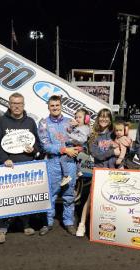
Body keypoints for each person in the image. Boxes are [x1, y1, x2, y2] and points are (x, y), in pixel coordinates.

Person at [0, 92, 41, 244]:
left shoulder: (30, 122)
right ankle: (1, 229)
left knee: (24, 198)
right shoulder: (1, 122)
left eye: (20, 103)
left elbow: (37, 144)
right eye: (14, 103)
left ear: (24, 105)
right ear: (9, 104)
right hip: (7, 167)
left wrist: (33, 150)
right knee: (6, 199)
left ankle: (25, 224)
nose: (17, 106)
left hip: (25, 166)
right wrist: (4, 159)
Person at [37, 95, 82, 236]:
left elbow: (81, 140)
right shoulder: (43, 123)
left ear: (61, 106)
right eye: (52, 106)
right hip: (53, 162)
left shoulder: (70, 122)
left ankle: (68, 222)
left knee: (69, 194)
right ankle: (48, 223)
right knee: (51, 194)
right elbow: (45, 146)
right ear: (48, 107)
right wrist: (63, 149)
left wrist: (79, 148)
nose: (55, 108)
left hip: (69, 162)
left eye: (57, 105)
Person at [76, 108, 121, 237]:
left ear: (110, 119)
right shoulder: (93, 135)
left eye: (107, 117)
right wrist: (112, 152)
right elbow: (97, 155)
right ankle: (82, 224)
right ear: (98, 118)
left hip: (113, 172)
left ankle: (110, 228)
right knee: (90, 199)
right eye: (101, 116)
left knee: (113, 201)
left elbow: (124, 146)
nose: (104, 119)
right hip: (99, 172)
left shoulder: (114, 133)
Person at [60, 108, 91, 186]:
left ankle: (66, 176)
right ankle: (78, 171)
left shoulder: (85, 128)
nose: (77, 119)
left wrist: (69, 135)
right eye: (76, 117)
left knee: (62, 159)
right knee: (76, 160)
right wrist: (70, 128)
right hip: (76, 147)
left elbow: (82, 139)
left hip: (79, 148)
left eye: (80, 117)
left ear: (86, 119)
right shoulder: (77, 128)